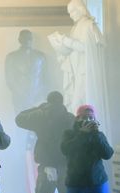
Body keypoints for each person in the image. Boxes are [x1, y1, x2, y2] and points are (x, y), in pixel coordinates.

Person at [15, 91, 75, 193]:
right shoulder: (69, 118)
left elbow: (19, 118)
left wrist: (39, 107)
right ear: (62, 101)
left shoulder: (40, 115)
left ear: (48, 102)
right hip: (65, 167)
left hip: (46, 168)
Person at [48, 0, 109, 133]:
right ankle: (79, 134)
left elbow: (85, 48)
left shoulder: (88, 25)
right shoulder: (75, 27)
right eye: (69, 13)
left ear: (80, 9)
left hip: (85, 73)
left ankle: (85, 133)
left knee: (79, 105)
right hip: (76, 72)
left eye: (73, 11)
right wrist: (62, 51)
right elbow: (74, 49)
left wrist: (65, 40)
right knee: (75, 105)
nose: (71, 15)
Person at [61, 105, 113, 193]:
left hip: (98, 185)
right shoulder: (69, 134)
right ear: (77, 118)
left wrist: (96, 134)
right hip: (76, 187)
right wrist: (82, 134)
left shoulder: (98, 135)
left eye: (91, 117)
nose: (89, 120)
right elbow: (66, 150)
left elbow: (108, 154)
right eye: (85, 117)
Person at [5, 29, 47, 114]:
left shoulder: (41, 56)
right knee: (20, 120)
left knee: (37, 121)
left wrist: (39, 92)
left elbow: (45, 76)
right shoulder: (11, 56)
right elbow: (10, 79)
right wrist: (20, 93)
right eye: (24, 38)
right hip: (19, 95)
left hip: (37, 95)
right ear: (19, 40)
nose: (27, 40)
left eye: (29, 38)